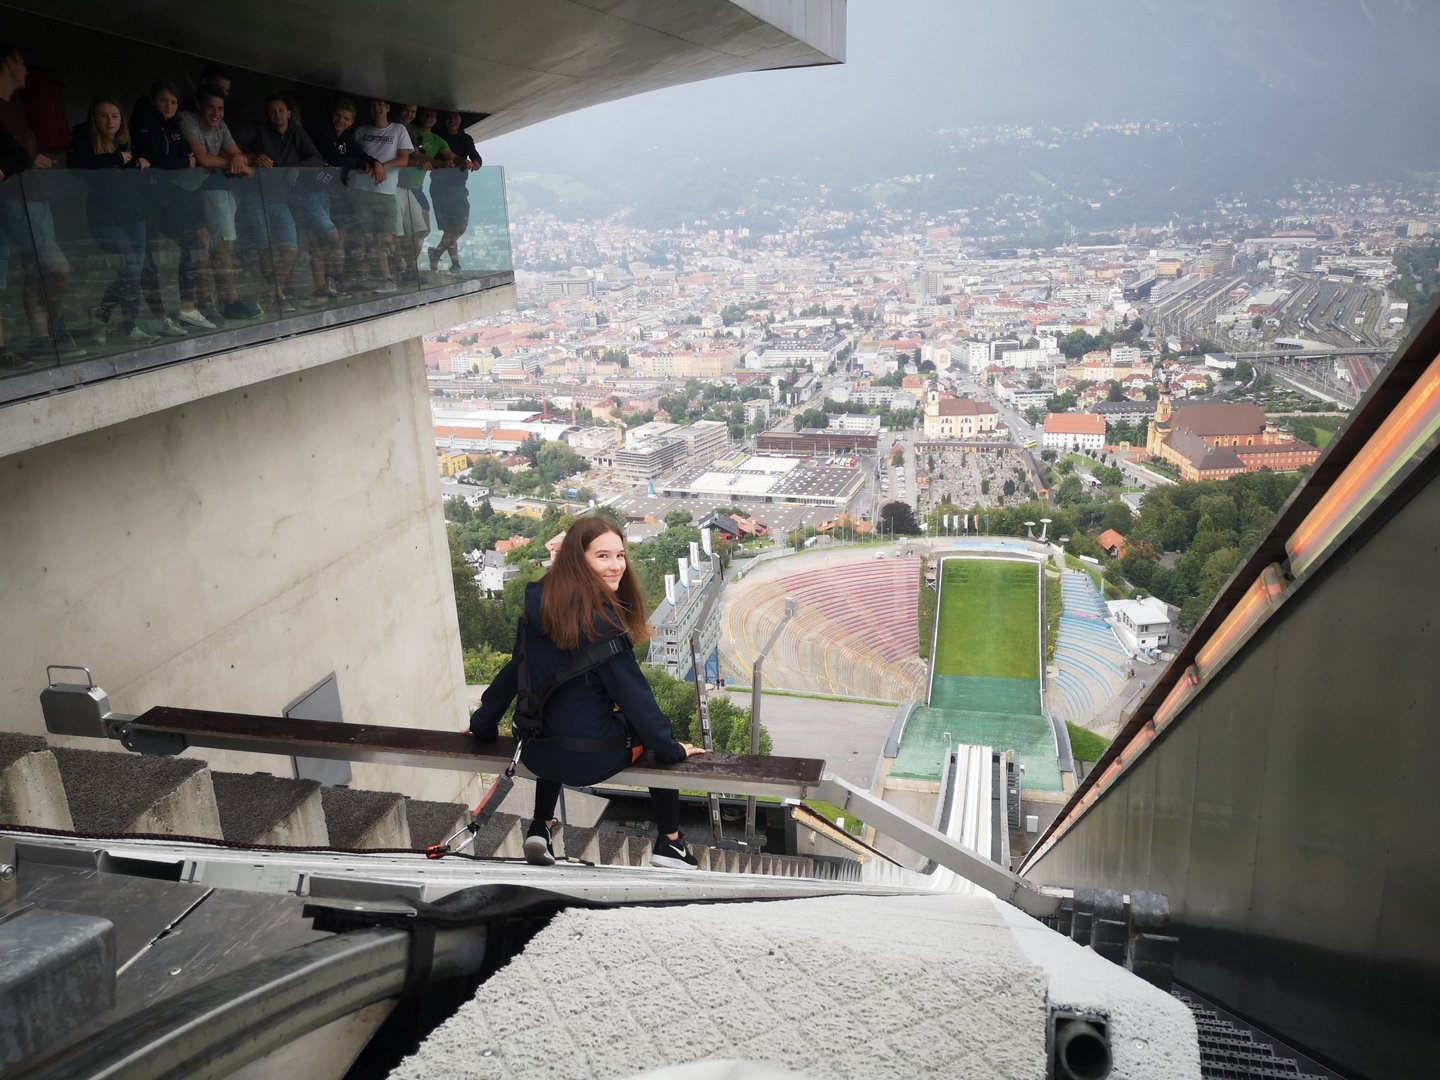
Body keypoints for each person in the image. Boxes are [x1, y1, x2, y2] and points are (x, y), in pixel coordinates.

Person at [468, 516, 706, 870]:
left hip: (536, 752)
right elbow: (638, 701)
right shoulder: (603, 624)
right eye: (602, 556)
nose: (616, 566)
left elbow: (513, 671)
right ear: (578, 561)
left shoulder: (538, 610)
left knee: (556, 714)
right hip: (591, 761)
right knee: (656, 728)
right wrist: (672, 750)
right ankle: (670, 842)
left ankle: (541, 826)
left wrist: (482, 726)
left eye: (620, 555)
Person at [0, 41, 80, 365]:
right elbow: (18, 155)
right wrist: (20, 160)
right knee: (52, 266)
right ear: (8, 62)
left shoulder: (18, 106)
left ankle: (42, 336)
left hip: (31, 194)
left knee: (43, 269)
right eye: (21, 62)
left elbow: (26, 149)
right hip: (12, 198)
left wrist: (28, 157)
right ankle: (43, 332)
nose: (26, 70)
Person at [68, 97, 158, 347]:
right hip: (105, 218)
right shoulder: (84, 140)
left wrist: (143, 160)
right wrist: (115, 159)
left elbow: (151, 157)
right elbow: (76, 165)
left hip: (134, 216)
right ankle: (114, 320)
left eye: (115, 116)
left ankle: (123, 323)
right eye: (104, 116)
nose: (110, 121)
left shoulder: (129, 142)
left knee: (134, 273)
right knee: (129, 270)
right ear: (94, 118)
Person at [129, 80, 206, 334]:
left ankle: (187, 307)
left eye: (173, 102)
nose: (168, 106)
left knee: (192, 243)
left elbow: (183, 157)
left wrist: (173, 162)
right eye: (163, 100)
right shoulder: (143, 121)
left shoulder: (175, 126)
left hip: (167, 198)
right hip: (144, 199)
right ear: (153, 101)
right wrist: (179, 162)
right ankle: (160, 317)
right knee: (149, 256)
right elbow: (156, 157)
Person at [179, 84, 258, 321]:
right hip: (184, 193)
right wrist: (232, 162)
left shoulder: (221, 126)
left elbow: (238, 154)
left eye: (220, 108)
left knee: (222, 245)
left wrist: (236, 159)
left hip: (211, 188)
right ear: (198, 106)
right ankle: (208, 302)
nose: (216, 113)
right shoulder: (187, 120)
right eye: (210, 107)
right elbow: (203, 159)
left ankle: (226, 300)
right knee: (203, 247)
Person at [245, 92, 328, 310]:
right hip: (256, 197)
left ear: (289, 113)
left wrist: (296, 168)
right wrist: (252, 158)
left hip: (281, 199)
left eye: (281, 110)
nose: (277, 114)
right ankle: (278, 294)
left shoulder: (296, 132)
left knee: (291, 249)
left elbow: (317, 158)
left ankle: (274, 290)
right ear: (267, 113)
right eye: (272, 111)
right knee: (265, 249)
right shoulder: (258, 131)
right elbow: (233, 149)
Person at [309, 96, 378, 294]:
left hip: (332, 191)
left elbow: (359, 153)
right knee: (325, 237)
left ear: (352, 122)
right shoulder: (323, 132)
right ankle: (321, 284)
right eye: (338, 116)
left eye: (346, 118)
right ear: (333, 115)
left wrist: (375, 163)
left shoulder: (346, 137)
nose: (341, 121)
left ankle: (337, 280)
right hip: (311, 191)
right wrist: (360, 164)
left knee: (339, 235)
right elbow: (335, 158)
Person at [350, 99, 411, 293]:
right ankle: (386, 278)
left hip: (386, 191)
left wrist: (381, 166)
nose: (377, 108)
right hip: (360, 190)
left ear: (388, 108)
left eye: (381, 104)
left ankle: (363, 267)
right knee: (369, 238)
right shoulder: (360, 131)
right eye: (374, 105)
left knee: (386, 238)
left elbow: (404, 159)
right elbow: (352, 155)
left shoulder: (398, 129)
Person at [397, 105, 453, 277]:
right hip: (402, 186)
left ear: (436, 120)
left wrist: (467, 161)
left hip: (417, 187)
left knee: (423, 230)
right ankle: (406, 266)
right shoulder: (409, 130)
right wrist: (440, 163)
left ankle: (407, 265)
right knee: (409, 231)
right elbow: (414, 155)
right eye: (426, 115)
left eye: (432, 116)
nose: (428, 118)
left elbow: (451, 155)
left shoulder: (437, 140)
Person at [430, 110, 481, 275]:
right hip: (441, 186)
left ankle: (437, 253)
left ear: (460, 120)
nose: (452, 121)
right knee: (451, 229)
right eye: (449, 118)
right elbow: (424, 150)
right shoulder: (437, 138)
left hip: (458, 186)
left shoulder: (465, 139)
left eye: (455, 118)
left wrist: (475, 164)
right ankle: (455, 264)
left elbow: (476, 156)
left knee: (459, 226)